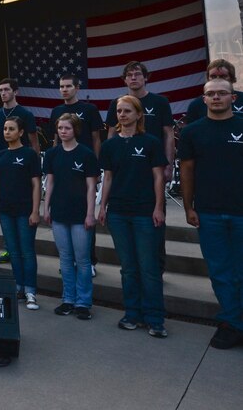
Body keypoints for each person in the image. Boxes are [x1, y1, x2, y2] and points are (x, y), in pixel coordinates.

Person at [179, 78, 243, 348]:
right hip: (209, 213)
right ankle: (232, 323)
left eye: (222, 93)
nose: (216, 97)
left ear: (233, 98)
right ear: (203, 99)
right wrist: (188, 206)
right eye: (211, 94)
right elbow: (187, 171)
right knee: (220, 271)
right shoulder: (192, 132)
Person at [98, 95, 168, 337]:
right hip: (118, 212)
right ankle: (132, 313)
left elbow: (159, 177)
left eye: (128, 111)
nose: (122, 115)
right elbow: (108, 178)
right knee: (128, 268)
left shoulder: (150, 142)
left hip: (144, 212)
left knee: (148, 267)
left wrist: (158, 207)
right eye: (119, 111)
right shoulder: (109, 146)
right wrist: (101, 206)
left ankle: (155, 317)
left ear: (139, 115)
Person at [43, 113, 99, 320]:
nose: (63, 131)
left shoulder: (86, 154)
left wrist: (90, 213)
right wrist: (46, 207)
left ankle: (83, 302)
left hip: (80, 214)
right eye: (60, 128)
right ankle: (68, 299)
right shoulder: (52, 154)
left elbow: (91, 186)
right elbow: (50, 183)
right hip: (59, 212)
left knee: (82, 260)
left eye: (67, 128)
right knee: (65, 259)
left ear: (75, 130)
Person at [49, 73, 103, 276]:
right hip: (63, 168)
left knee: (85, 215)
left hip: (85, 168)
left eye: (68, 86)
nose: (64, 89)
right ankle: (67, 261)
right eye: (61, 86)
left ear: (77, 88)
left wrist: (96, 168)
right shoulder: (57, 111)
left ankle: (89, 260)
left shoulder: (89, 109)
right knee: (63, 212)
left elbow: (97, 138)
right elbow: (56, 140)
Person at [0, 116, 42, 311]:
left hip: (25, 211)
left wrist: (36, 211)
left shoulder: (29, 154)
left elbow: (36, 184)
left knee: (27, 252)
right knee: (14, 252)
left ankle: (30, 291)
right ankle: (18, 287)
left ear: (20, 132)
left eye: (11, 129)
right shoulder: (1, 156)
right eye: (4, 129)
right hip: (5, 211)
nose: (7, 132)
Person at [0, 78, 40, 265]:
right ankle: (9, 249)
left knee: (20, 213)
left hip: (22, 164)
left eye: (7, 89)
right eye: (0, 90)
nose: (3, 93)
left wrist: (36, 162)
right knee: (5, 208)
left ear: (15, 92)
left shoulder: (25, 114)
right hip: (3, 161)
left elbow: (34, 141)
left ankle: (21, 252)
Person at [184, 58, 243, 124]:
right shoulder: (196, 105)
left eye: (223, 76)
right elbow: (191, 131)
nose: (218, 79)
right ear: (208, 78)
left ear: (232, 78)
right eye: (213, 76)